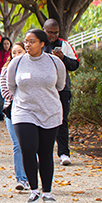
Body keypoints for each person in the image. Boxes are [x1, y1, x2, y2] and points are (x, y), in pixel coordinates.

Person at [8, 29, 66, 203]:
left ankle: (47, 192)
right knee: (28, 149)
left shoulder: (55, 62)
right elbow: (11, 87)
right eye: (26, 41)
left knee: (45, 152)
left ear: (42, 43)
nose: (27, 45)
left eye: (32, 41)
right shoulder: (16, 63)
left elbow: (61, 85)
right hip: (24, 111)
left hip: (49, 112)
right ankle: (33, 190)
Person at [42, 19, 80, 165]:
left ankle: (64, 153)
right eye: (49, 32)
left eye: (55, 33)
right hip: (43, 90)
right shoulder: (38, 44)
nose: (52, 35)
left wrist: (63, 58)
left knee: (62, 120)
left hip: (62, 88)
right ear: (43, 29)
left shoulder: (64, 44)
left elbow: (75, 64)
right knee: (43, 122)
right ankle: (44, 152)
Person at [0, 41, 29, 191]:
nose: (16, 55)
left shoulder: (32, 68)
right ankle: (21, 179)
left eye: (20, 52)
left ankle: (31, 178)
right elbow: (5, 92)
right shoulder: (6, 70)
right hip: (12, 110)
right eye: (14, 53)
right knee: (18, 144)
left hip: (31, 112)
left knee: (31, 145)